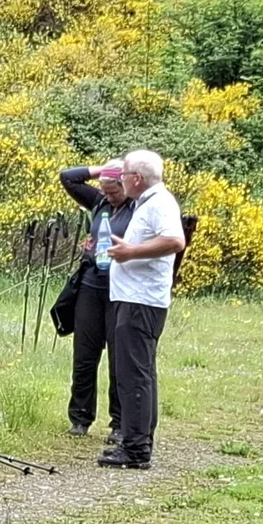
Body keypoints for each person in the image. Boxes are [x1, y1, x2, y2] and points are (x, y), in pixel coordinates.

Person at [102, 149, 185, 471]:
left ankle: (136, 449)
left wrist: (131, 251)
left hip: (142, 300)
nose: (121, 180)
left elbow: (175, 241)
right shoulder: (148, 202)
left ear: (136, 178)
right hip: (135, 297)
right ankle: (138, 440)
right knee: (140, 372)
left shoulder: (160, 203)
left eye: (123, 174)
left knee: (134, 374)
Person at [58, 159, 133, 440]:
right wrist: (105, 171)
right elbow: (68, 177)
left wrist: (121, 173)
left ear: (126, 184)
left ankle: (119, 423)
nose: (110, 196)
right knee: (85, 356)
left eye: (115, 190)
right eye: (106, 190)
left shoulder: (137, 207)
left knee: (119, 356)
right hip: (91, 284)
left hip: (122, 288)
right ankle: (80, 418)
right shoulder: (100, 200)